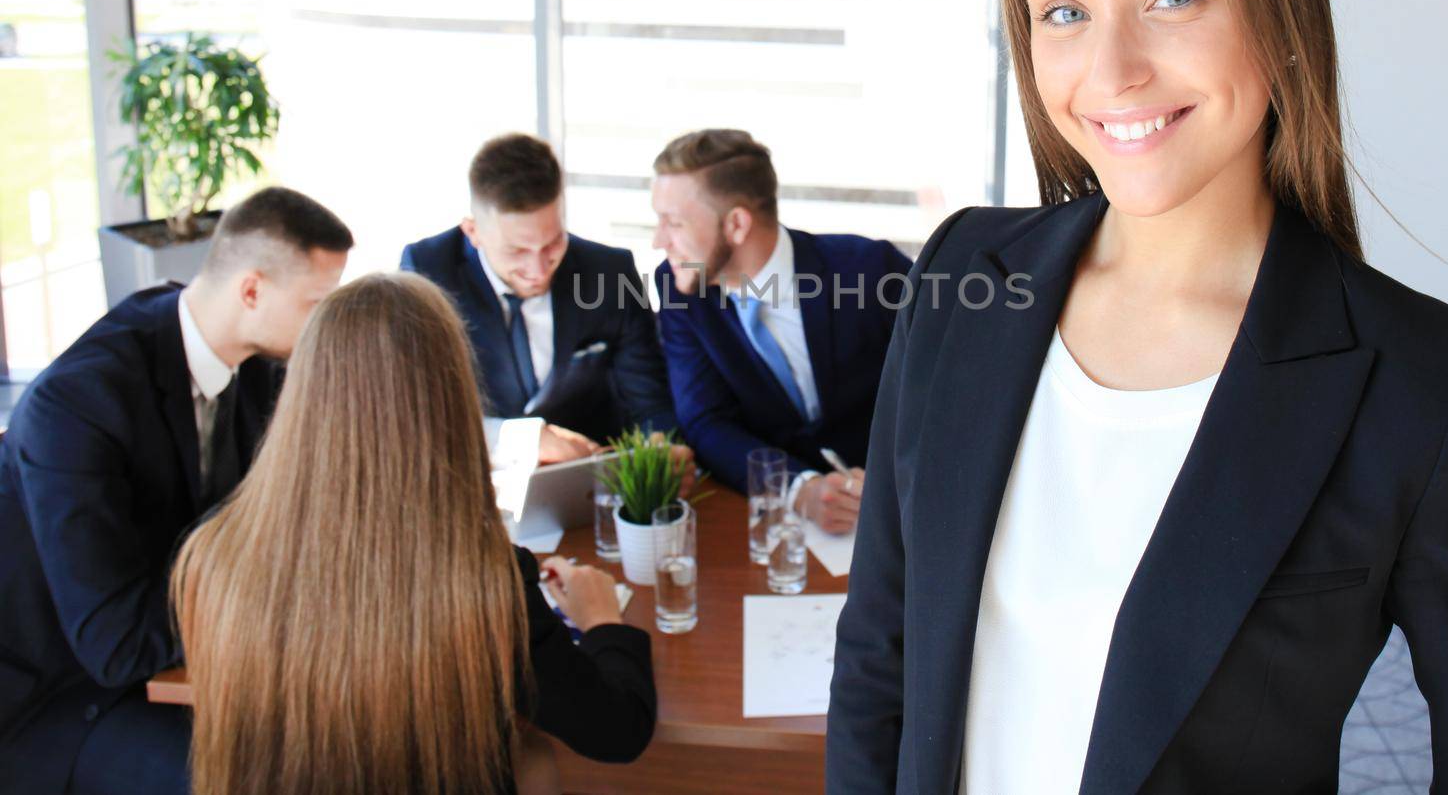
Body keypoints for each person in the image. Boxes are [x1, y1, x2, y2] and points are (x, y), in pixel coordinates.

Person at [827, 0, 1448, 795]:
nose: (1113, 71)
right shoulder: (967, 272)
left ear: (1278, 10)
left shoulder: (1426, 388)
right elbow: (881, 648)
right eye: (1063, 10)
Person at [170, 272, 655, 795]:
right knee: (532, 754)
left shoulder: (211, 556)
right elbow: (617, 730)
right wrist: (604, 619)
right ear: (450, 402)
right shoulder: (484, 581)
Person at [0, 187, 353, 795]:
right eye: (317, 305)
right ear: (251, 292)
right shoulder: (80, 406)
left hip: (178, 665)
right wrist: (266, 589)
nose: (327, 328)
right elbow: (116, 646)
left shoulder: (255, 366)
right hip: (63, 700)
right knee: (279, 774)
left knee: (356, 735)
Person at [651, 129, 911, 534]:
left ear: (736, 224)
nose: (658, 240)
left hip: (894, 513)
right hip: (775, 525)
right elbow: (705, 419)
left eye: (674, 223)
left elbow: (947, 387)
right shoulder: (680, 288)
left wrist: (895, 483)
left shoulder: (870, 271)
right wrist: (798, 488)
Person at [403, 133, 685, 467]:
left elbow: (650, 402)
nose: (537, 269)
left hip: (587, 479)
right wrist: (521, 441)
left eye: (552, 243)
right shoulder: (428, 273)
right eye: (517, 250)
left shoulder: (611, 272)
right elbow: (417, 410)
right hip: (472, 475)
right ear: (473, 231)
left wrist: (662, 451)